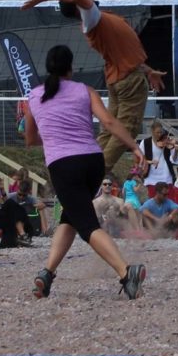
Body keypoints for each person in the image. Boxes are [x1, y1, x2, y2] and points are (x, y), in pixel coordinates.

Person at [23, 44, 147, 300]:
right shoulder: (84, 90)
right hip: (93, 161)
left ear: (48, 67)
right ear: (71, 68)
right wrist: (134, 146)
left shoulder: (33, 97)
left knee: (86, 224)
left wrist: (53, 136)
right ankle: (47, 274)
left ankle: (126, 273)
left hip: (64, 164)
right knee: (71, 217)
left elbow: (30, 139)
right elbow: (110, 122)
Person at [22, 0, 166, 173]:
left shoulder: (96, 18)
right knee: (126, 130)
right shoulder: (91, 17)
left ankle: (88, 166)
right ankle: (95, 175)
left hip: (122, 77)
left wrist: (148, 70)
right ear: (77, 6)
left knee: (109, 132)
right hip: (128, 81)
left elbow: (122, 54)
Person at [141, 121, 178, 197]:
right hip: (151, 177)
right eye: (157, 132)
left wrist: (176, 150)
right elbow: (141, 160)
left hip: (166, 175)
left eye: (161, 132)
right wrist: (151, 162)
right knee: (154, 200)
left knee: (169, 200)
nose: (159, 135)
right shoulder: (145, 142)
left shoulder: (167, 141)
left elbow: (173, 160)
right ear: (152, 131)